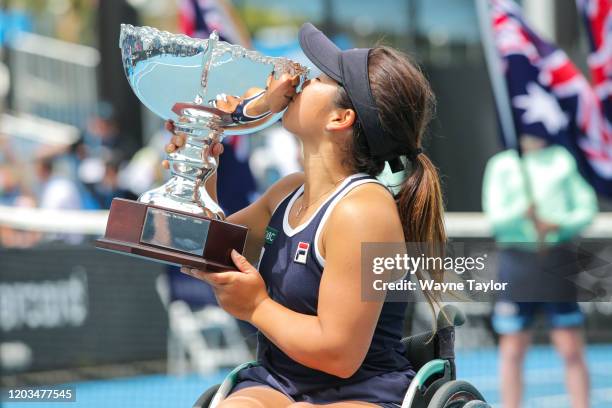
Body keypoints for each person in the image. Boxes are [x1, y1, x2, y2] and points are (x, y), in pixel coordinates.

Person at [165, 22, 446, 407]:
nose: (298, 80)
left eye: (316, 77)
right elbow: (201, 247)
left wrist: (257, 307)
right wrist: (201, 154)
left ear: (340, 118)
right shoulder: (287, 192)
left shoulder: (364, 210)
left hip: (362, 390)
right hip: (277, 382)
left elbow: (340, 356)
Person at [482, 135, 597, 408]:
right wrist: (521, 212)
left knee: (570, 347)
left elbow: (586, 208)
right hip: (517, 265)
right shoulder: (501, 165)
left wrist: (558, 224)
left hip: (557, 262)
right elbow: (495, 218)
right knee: (512, 349)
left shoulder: (562, 160)